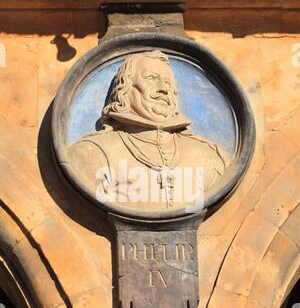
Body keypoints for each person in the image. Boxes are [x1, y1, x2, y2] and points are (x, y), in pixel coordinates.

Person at [68, 50, 228, 211]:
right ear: (125, 88)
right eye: (152, 78)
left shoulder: (208, 157)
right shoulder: (92, 153)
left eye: (168, 82)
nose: (164, 89)